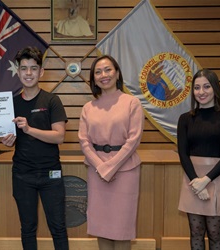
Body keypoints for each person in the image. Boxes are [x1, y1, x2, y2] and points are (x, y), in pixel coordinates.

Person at [1, 46, 69, 250]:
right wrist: (6, 140)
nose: (28, 73)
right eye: (23, 68)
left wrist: (29, 129)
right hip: (22, 174)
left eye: (33, 68)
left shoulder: (52, 100)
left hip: (51, 174)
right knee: (27, 228)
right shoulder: (10, 103)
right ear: (18, 71)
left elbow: (59, 136)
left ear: (41, 72)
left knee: (58, 227)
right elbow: (9, 138)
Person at [78, 55, 144, 250]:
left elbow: (133, 139)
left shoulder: (132, 103)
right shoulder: (88, 107)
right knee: (101, 226)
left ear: (117, 73)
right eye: (98, 72)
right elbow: (84, 141)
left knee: (122, 227)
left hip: (125, 171)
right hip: (96, 171)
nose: (103, 75)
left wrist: (110, 167)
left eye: (107, 70)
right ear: (93, 79)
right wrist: (101, 167)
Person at [177, 69, 220, 250]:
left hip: (217, 178)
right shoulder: (185, 119)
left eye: (206, 86)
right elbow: (183, 154)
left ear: (215, 89)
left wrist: (205, 180)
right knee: (196, 232)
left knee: (214, 234)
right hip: (192, 180)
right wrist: (196, 182)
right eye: (197, 88)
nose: (201, 92)